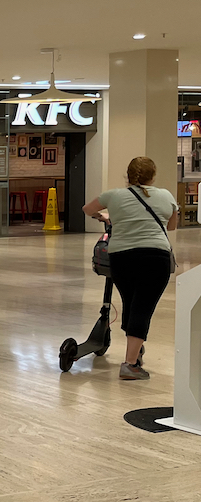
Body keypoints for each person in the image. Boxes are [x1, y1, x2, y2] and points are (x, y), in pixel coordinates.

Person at [83, 156, 179, 380]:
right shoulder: (165, 195)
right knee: (143, 307)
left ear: (128, 175)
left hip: (121, 257)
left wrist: (107, 216)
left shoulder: (114, 195)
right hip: (155, 256)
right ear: (153, 176)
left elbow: (87, 209)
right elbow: (172, 226)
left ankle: (135, 350)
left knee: (131, 301)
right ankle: (130, 364)